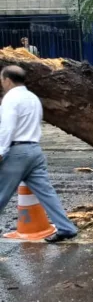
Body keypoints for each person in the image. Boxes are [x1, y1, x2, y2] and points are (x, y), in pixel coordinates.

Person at [0, 66, 78, 243]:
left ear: (7, 80)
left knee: (1, 193)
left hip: (17, 151)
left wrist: (0, 150)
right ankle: (66, 228)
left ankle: (66, 228)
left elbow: (7, 128)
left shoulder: (11, 98)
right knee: (46, 193)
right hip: (34, 150)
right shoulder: (33, 98)